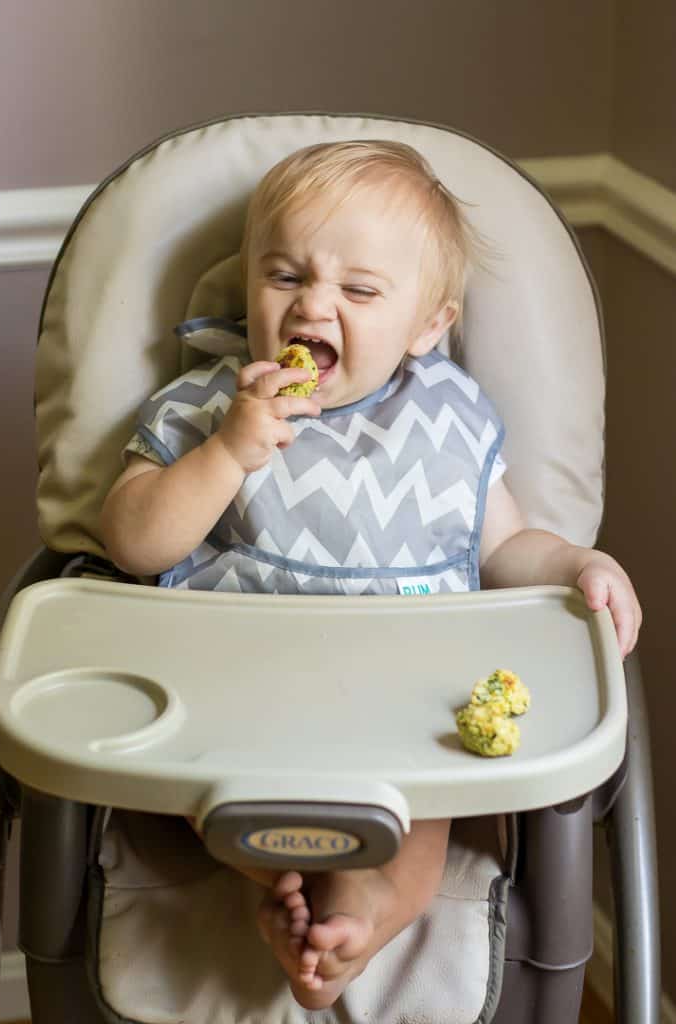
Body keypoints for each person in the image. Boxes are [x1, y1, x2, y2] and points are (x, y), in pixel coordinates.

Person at [100, 140, 641, 1010]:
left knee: (421, 822)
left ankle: (366, 916)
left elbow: (502, 550)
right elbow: (132, 540)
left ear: (428, 326)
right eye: (284, 276)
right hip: (242, 694)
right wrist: (228, 453)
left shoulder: (449, 418)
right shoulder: (207, 405)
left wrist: (580, 563)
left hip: (405, 715)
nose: (313, 304)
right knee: (222, 794)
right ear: (248, 287)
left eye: (358, 290)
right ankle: (270, 885)